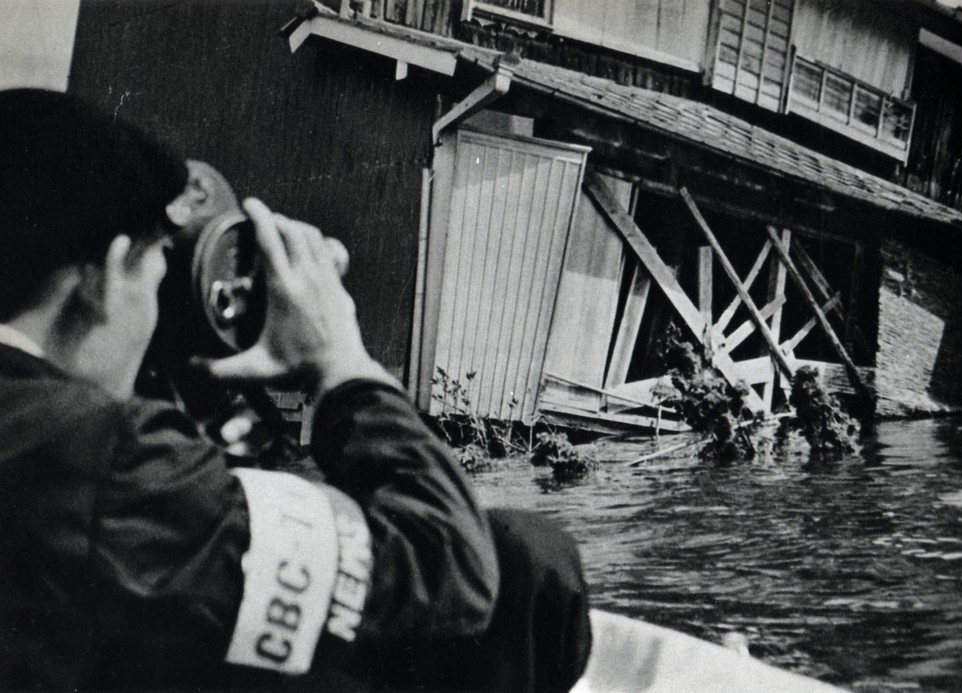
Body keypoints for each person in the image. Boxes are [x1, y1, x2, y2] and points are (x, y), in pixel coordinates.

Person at [0, 88, 590, 691]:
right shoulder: (102, 454)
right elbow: (450, 570)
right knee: (527, 560)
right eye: (155, 276)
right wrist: (339, 362)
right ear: (104, 277)